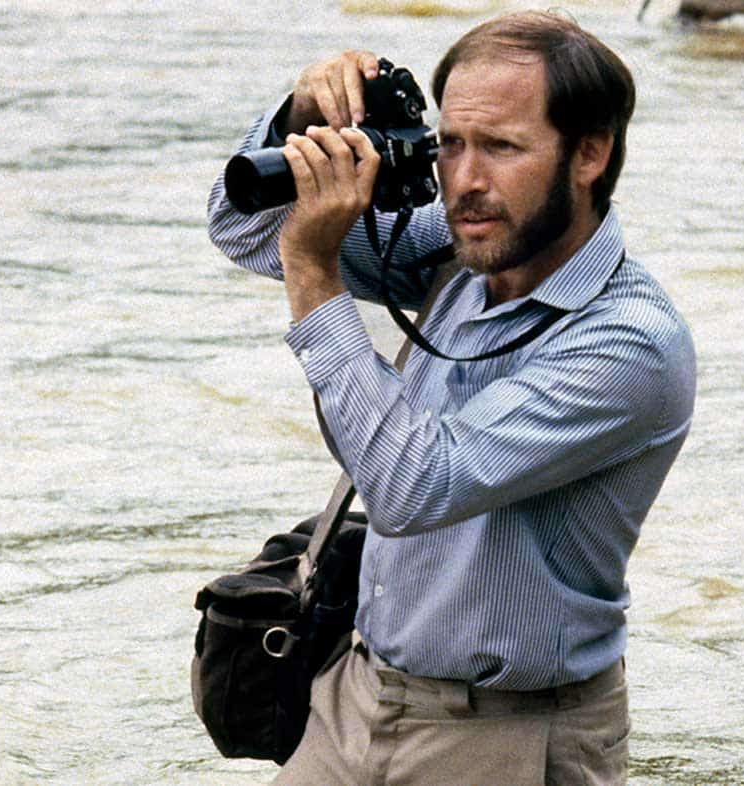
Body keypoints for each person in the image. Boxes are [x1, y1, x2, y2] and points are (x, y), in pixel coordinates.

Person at [207, 11, 695, 784]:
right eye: (451, 144)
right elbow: (241, 228)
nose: (465, 181)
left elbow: (413, 485)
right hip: (353, 697)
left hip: (511, 733)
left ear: (590, 153)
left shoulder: (629, 343)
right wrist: (301, 118)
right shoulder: (463, 247)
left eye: (502, 148)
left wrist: (316, 268)